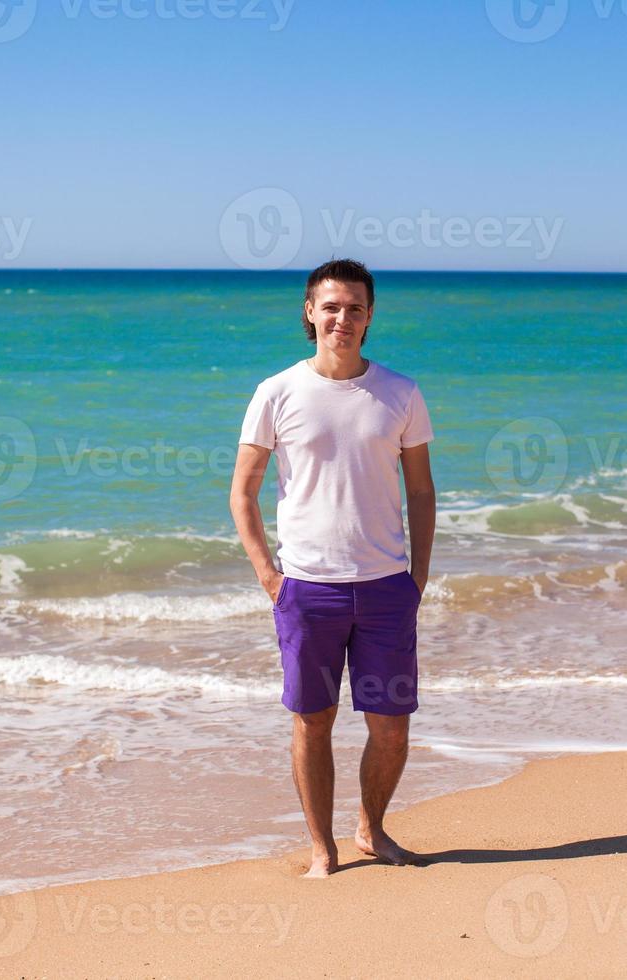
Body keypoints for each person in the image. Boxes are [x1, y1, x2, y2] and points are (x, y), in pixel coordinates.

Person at [229, 258, 436, 878]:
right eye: (331, 306)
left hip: (384, 589)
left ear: (370, 318)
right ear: (309, 313)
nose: (341, 318)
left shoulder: (400, 392)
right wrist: (270, 577)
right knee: (312, 721)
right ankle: (323, 850)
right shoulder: (276, 392)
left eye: (354, 308)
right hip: (308, 590)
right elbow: (243, 491)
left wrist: (416, 578)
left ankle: (372, 829)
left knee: (392, 728)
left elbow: (422, 492)